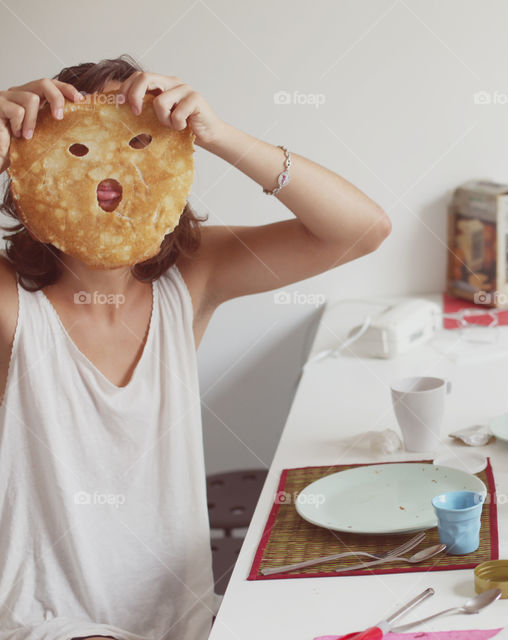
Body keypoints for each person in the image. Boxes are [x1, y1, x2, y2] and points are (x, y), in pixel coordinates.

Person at [0, 56, 391, 639]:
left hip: (184, 615)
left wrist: (220, 134)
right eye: (80, 147)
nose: (109, 168)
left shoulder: (194, 274)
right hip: (49, 621)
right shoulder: (13, 304)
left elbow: (362, 229)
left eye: (137, 140)